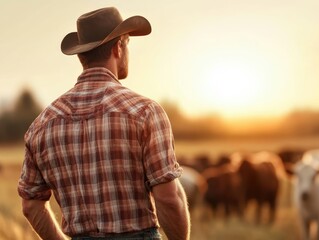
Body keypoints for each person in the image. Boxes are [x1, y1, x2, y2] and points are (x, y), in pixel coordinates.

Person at [17, 7, 190, 240]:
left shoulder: (41, 125)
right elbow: (169, 198)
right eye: (127, 42)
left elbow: (31, 205)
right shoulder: (145, 112)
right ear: (118, 47)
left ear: (81, 55)